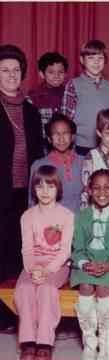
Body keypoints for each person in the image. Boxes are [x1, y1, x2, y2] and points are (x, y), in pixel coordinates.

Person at [71, 169, 109, 360]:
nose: (102, 192)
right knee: (86, 286)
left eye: (107, 187)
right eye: (96, 188)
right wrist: (85, 264)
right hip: (87, 265)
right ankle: (90, 342)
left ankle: (106, 343)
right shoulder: (81, 216)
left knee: (103, 288)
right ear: (89, 190)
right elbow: (77, 250)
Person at [14, 165, 74, 360]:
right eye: (40, 187)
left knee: (47, 289)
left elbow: (65, 251)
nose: (45, 192)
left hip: (58, 265)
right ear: (33, 189)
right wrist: (33, 269)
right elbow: (27, 249)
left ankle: (44, 343)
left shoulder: (67, 216)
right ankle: (28, 342)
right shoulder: (27, 216)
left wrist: (47, 270)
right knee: (24, 288)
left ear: (58, 188)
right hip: (33, 264)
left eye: (50, 186)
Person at [0, 44, 43, 295]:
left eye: (16, 70)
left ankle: (16, 304)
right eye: (5, 70)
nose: (11, 75)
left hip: (24, 190)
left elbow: (37, 154)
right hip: (1, 188)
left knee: (20, 246)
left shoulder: (31, 111)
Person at [61, 39, 109, 157]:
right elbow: (66, 119)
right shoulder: (73, 85)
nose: (96, 62)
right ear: (82, 60)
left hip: (106, 146)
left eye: (100, 58)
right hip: (80, 147)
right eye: (91, 58)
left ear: (105, 61)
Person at [29, 113, 83, 212]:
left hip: (81, 219)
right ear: (49, 139)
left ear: (72, 137)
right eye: (56, 134)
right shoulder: (38, 165)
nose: (61, 138)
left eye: (65, 133)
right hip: (51, 220)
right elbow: (32, 204)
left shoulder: (85, 162)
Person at [29, 51, 69, 145]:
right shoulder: (32, 97)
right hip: (42, 144)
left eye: (60, 72)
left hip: (65, 144)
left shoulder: (70, 95)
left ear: (65, 74)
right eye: (51, 72)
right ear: (42, 74)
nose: (56, 76)